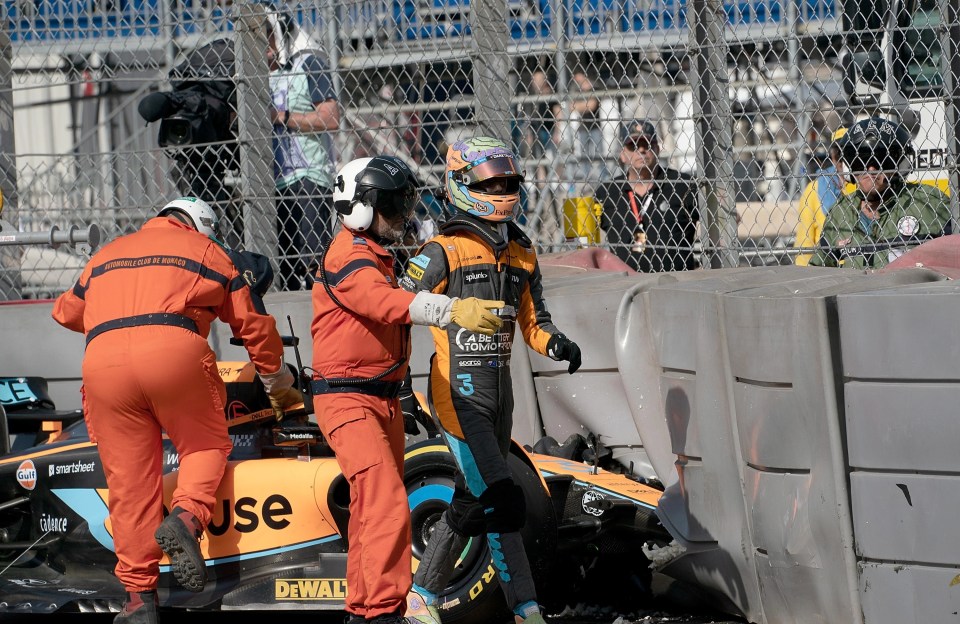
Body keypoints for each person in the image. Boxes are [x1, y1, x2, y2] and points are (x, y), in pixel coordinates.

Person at [51, 196, 303, 624]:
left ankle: (137, 600)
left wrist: (119, 307)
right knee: (205, 446)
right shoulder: (207, 251)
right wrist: (279, 387)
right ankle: (187, 518)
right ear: (198, 226)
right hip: (172, 353)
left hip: (103, 364)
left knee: (130, 485)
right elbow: (253, 325)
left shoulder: (106, 255)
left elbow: (65, 313)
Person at [312, 154, 509, 624]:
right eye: (393, 204)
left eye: (405, 202)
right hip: (348, 398)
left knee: (369, 509)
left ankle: (363, 611)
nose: (403, 215)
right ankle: (384, 613)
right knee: (385, 505)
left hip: (377, 396)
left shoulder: (375, 253)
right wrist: (449, 309)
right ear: (360, 206)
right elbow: (383, 304)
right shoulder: (349, 255)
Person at [398, 136, 582, 624]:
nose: (502, 189)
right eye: (490, 182)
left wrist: (558, 344)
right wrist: (399, 384)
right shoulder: (442, 251)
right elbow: (394, 311)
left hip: (503, 397)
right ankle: (520, 605)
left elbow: (534, 323)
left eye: (508, 181)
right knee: (501, 497)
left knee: (476, 496)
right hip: (458, 396)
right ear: (461, 185)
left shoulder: (522, 251)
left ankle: (431, 597)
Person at [809, 117, 953, 268]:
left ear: (901, 165)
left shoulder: (930, 203)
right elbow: (817, 270)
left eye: (881, 159)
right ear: (848, 168)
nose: (870, 169)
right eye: (861, 160)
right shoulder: (840, 213)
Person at [266, 9, 341, 291]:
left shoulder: (308, 65)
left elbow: (331, 117)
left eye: (267, 39)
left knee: (313, 264)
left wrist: (283, 117)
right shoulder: (253, 77)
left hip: (307, 179)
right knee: (280, 271)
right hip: (270, 183)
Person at [596, 119, 701, 272]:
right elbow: (583, 237)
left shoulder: (682, 184)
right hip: (623, 287)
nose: (641, 150)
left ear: (657, 149)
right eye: (633, 146)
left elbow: (718, 219)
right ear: (623, 155)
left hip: (676, 283)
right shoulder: (607, 192)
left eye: (647, 145)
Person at [794, 127, 853, 266]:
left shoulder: (866, 187)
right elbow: (805, 240)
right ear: (832, 156)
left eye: (850, 154)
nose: (843, 160)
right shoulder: (815, 189)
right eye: (839, 154)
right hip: (827, 265)